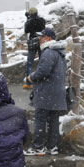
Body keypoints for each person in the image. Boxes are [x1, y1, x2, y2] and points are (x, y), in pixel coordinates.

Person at [24, 28, 66, 156]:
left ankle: (38, 147)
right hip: (57, 91)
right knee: (53, 120)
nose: (40, 39)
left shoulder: (48, 52)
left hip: (46, 92)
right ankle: (52, 146)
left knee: (40, 120)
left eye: (42, 37)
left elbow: (43, 71)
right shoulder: (59, 52)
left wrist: (31, 77)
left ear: (48, 38)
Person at [23, 7, 46, 89]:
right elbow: (43, 28)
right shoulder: (41, 20)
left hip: (32, 42)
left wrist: (28, 19)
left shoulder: (29, 21)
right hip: (41, 41)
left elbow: (26, 30)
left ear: (30, 14)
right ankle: (41, 81)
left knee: (30, 63)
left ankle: (29, 83)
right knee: (41, 62)